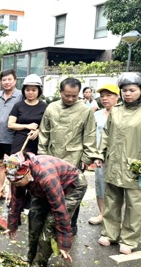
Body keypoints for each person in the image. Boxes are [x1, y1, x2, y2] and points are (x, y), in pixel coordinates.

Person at [38, 77, 98, 236]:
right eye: (67, 95)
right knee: (51, 191)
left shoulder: (85, 111)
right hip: (52, 157)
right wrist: (42, 157)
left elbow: (90, 135)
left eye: (74, 96)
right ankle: (51, 223)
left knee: (73, 194)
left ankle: (70, 224)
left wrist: (86, 158)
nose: (71, 99)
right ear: (60, 92)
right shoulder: (51, 108)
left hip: (74, 158)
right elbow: (44, 133)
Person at [6, 152, 87, 267]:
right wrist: (12, 224)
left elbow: (60, 211)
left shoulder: (47, 178)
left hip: (72, 185)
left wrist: (64, 244)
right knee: (34, 217)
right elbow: (17, 199)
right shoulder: (17, 175)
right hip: (40, 186)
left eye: (18, 182)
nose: (16, 185)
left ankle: (39, 263)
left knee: (51, 224)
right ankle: (31, 258)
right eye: (14, 183)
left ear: (27, 173)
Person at [94, 72, 141, 255]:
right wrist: (99, 154)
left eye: (132, 90)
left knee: (134, 204)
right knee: (112, 199)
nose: (128, 94)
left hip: (135, 165)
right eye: (124, 90)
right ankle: (110, 233)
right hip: (114, 162)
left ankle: (129, 239)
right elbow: (106, 134)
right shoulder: (116, 110)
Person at [88, 84, 119, 225]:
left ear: (118, 97)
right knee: (100, 185)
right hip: (99, 156)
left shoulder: (121, 113)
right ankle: (102, 214)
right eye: (102, 96)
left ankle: (115, 218)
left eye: (109, 95)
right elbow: (91, 135)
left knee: (117, 188)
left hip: (117, 155)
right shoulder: (96, 114)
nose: (105, 99)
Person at [0, 69, 22, 202]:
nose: (7, 82)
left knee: (12, 166)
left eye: (9, 79)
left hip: (14, 137)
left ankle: (12, 193)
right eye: (4, 80)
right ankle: (1, 191)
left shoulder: (21, 96)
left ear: (15, 81)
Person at [8, 74, 47, 154]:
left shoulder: (45, 107)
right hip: (20, 141)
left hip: (37, 142)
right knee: (16, 164)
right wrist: (27, 126)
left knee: (35, 165)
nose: (30, 92)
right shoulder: (18, 106)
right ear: (24, 90)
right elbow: (10, 124)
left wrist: (38, 131)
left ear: (39, 90)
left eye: (33, 90)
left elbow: (48, 125)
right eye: (27, 90)